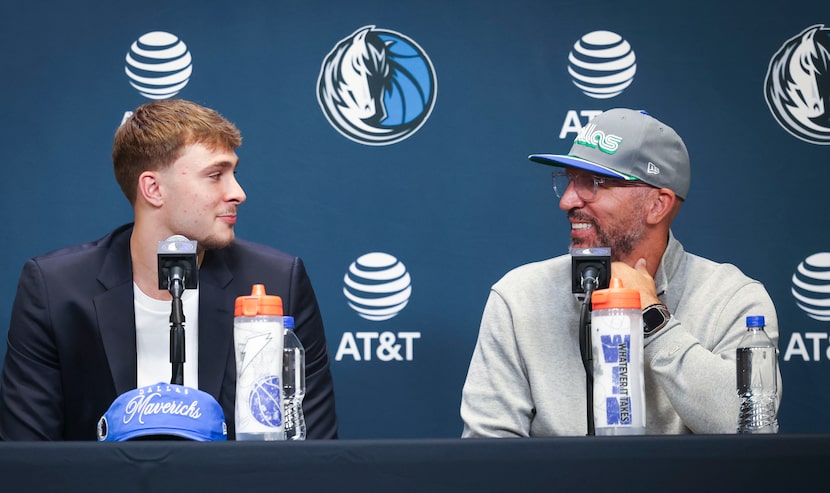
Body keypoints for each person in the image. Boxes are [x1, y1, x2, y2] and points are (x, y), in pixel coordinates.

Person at [0, 99, 338, 440]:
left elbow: (314, 452)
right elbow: (27, 458)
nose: (238, 193)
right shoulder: (56, 289)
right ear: (153, 189)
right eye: (215, 175)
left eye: (234, 173)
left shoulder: (278, 280)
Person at [460, 108, 781, 436]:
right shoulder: (519, 298)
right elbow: (487, 455)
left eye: (593, 183)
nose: (568, 200)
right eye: (569, 180)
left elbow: (749, 432)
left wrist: (654, 320)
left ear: (657, 205)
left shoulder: (733, 300)